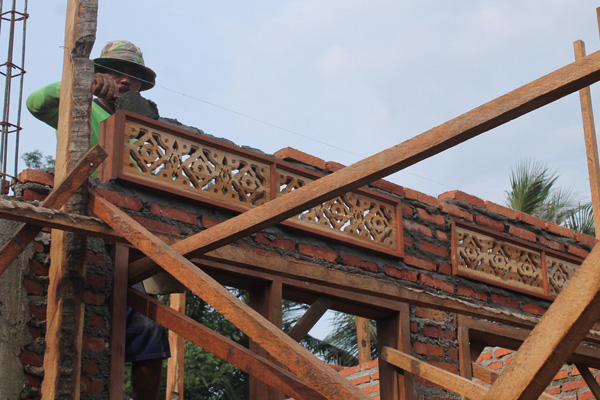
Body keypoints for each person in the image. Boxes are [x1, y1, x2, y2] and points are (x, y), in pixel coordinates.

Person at [27, 40, 170, 400]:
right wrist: (82, 84)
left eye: (133, 78)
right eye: (116, 72)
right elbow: (35, 103)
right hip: (83, 224)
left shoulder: (143, 130)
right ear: (102, 73)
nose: (124, 82)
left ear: (139, 87)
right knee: (74, 321)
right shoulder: (79, 109)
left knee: (151, 330)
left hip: (132, 238)